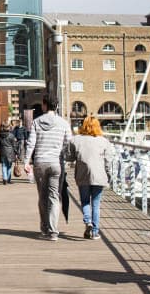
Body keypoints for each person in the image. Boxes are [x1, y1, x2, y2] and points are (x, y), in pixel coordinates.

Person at [23, 97, 72, 240]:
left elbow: (31, 143)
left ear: (44, 106)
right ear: (56, 106)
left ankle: (45, 229)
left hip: (40, 163)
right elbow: (68, 144)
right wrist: (65, 157)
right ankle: (53, 231)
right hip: (57, 164)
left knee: (42, 197)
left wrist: (26, 161)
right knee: (54, 197)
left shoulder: (36, 122)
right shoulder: (64, 123)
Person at [63, 115, 114, 240]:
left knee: (85, 201)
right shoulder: (104, 141)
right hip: (99, 175)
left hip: (83, 174)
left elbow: (69, 157)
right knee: (96, 203)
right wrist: (109, 176)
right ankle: (95, 232)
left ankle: (88, 222)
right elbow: (108, 161)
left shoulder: (76, 140)